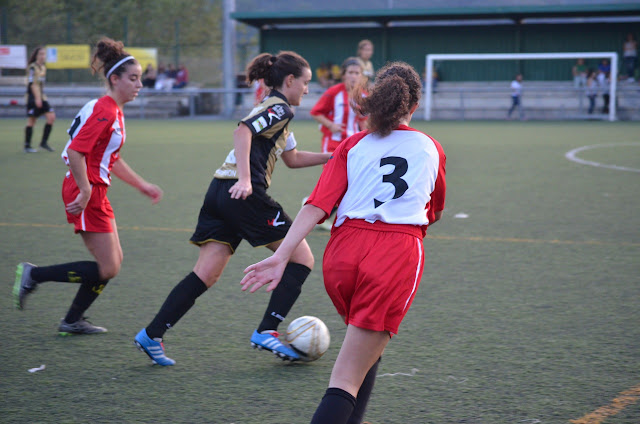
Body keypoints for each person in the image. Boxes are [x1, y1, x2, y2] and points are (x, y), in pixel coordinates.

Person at [240, 61, 447, 424]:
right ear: (414, 106)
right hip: (393, 252)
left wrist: (282, 255)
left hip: (342, 253)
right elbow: (434, 211)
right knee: (346, 377)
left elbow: (317, 206)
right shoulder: (431, 148)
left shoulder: (353, 144)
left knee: (364, 352)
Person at [133, 51, 331, 366]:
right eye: (305, 83)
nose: (307, 90)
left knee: (206, 273)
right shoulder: (279, 108)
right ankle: (267, 330)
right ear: (290, 80)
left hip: (219, 192)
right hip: (243, 194)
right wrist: (246, 179)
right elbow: (242, 131)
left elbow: (292, 159)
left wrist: (331, 157)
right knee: (303, 258)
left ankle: (152, 333)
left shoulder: (274, 109)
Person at [13, 37, 163, 335]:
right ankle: (35, 276)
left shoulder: (113, 110)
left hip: (94, 188)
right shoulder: (105, 109)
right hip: (87, 189)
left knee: (113, 263)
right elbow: (74, 151)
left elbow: (111, 159)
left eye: (140, 79)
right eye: (133, 79)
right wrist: (84, 190)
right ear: (114, 79)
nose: (139, 85)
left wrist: (141, 185)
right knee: (108, 267)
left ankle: (71, 320)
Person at [24, 46, 56, 153]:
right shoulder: (32, 67)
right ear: (36, 55)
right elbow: (32, 84)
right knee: (32, 120)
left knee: (51, 117)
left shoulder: (43, 67)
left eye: (44, 54)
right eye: (40, 54)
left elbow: (41, 85)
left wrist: (41, 97)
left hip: (42, 97)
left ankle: (43, 143)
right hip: (33, 98)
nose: (42, 56)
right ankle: (27, 145)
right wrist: (37, 99)